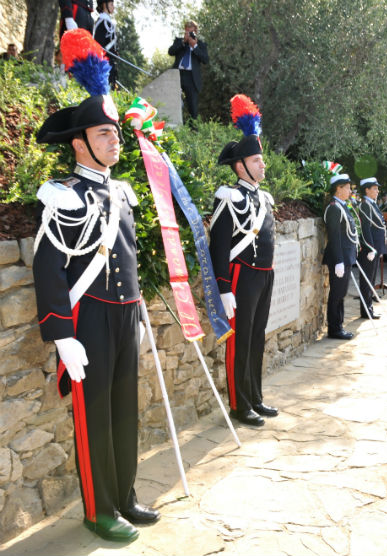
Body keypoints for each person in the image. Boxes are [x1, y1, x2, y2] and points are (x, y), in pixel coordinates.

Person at [32, 34, 159, 541]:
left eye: (115, 133)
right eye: (104, 133)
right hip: (87, 321)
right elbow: (48, 267)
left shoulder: (122, 193)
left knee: (125, 409)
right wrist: (62, 334)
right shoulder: (64, 197)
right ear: (79, 142)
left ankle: (124, 493)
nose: (115, 141)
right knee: (94, 416)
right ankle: (99, 508)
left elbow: (128, 259)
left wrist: (140, 315)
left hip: (123, 316)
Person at [209, 94, 277, 427]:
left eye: (262, 160)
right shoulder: (229, 196)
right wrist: (224, 288)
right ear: (240, 166)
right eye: (257, 160)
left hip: (264, 276)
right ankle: (239, 403)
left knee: (257, 336)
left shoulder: (264, 197)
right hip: (241, 276)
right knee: (240, 339)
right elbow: (219, 246)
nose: (263, 165)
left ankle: (256, 396)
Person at [323, 174, 359, 339]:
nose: (350, 190)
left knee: (341, 293)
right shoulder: (334, 208)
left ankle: (339, 326)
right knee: (337, 294)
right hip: (340, 258)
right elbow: (335, 236)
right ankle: (334, 329)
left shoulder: (342, 206)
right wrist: (338, 260)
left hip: (345, 257)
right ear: (338, 188)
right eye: (347, 187)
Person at [168, 21, 209, 122]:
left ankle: (193, 131)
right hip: (178, 75)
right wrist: (183, 43)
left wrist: (194, 46)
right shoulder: (179, 41)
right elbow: (171, 52)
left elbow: (205, 60)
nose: (188, 34)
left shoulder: (201, 45)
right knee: (173, 102)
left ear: (195, 32)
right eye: (186, 32)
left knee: (193, 107)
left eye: (191, 32)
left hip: (192, 78)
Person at [357, 177, 386, 319]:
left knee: (371, 280)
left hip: (375, 249)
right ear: (367, 190)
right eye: (374, 188)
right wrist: (370, 249)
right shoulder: (365, 205)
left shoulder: (372, 204)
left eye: (377, 188)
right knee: (367, 281)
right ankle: (366, 310)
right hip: (370, 250)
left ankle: (368, 309)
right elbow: (366, 229)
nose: (377, 191)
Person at [93, 0, 118, 88]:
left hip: (110, 64)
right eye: (111, 4)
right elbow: (97, 45)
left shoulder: (108, 22)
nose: (113, 7)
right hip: (103, 65)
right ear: (104, 5)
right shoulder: (102, 22)